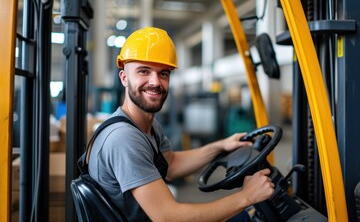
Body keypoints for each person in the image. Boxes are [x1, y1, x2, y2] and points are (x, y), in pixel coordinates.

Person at [88, 27, 275, 221]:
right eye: (144, 71)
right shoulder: (124, 138)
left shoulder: (147, 125)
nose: (155, 82)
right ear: (124, 78)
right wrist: (246, 197)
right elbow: (169, 218)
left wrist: (221, 146)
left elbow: (172, 165)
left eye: (163, 74)